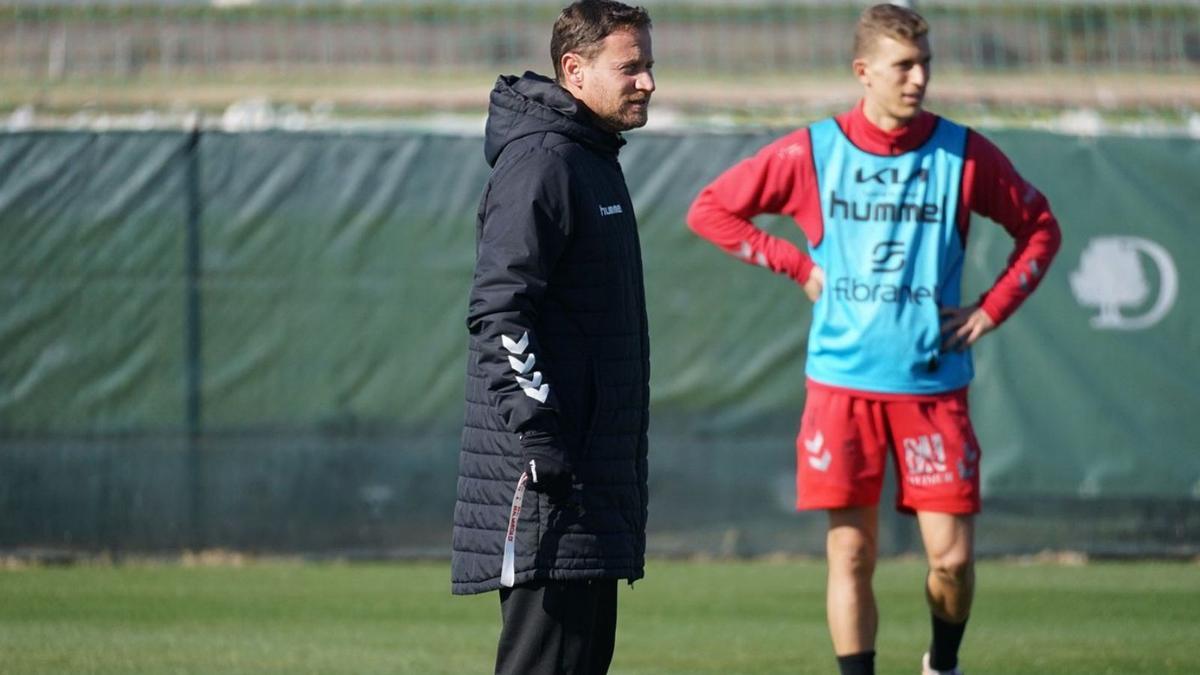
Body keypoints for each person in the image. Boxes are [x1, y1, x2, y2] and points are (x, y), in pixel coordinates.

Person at [686, 4, 1061, 675]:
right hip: (841, 385)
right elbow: (710, 209)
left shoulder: (963, 153)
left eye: (925, 65)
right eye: (904, 66)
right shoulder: (812, 150)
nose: (918, 79)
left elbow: (1039, 227)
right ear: (863, 73)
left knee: (951, 559)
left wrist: (991, 309)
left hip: (932, 387)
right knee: (851, 554)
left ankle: (941, 664)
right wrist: (797, 264)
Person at [451, 1, 654, 674]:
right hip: (550, 485)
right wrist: (538, 434)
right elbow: (499, 311)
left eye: (649, 66)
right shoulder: (543, 163)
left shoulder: (592, 158)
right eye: (631, 67)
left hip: (590, 483)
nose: (648, 82)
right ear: (575, 69)